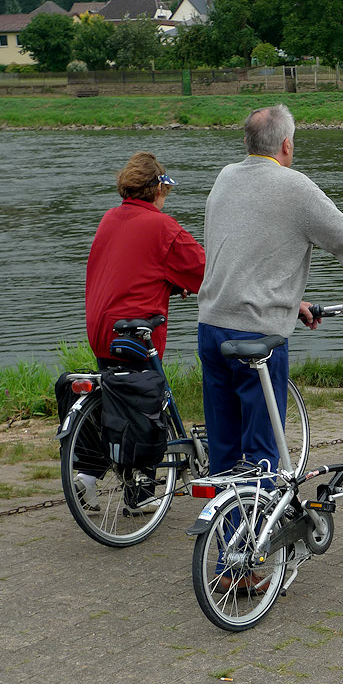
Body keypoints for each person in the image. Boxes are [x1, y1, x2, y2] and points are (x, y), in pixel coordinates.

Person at [198, 103, 343, 477]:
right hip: (257, 331)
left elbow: (234, 252)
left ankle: (227, 532)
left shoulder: (225, 177)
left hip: (211, 327)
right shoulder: (295, 187)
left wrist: (291, 302)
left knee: (223, 449)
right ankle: (258, 533)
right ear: (286, 145)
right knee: (261, 451)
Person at [81, 151, 206, 511]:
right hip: (135, 333)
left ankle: (86, 477)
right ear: (155, 190)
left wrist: (167, 283)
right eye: (165, 187)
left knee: (116, 400)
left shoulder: (110, 218)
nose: (166, 195)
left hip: (102, 328)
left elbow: (131, 269)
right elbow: (205, 272)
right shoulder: (163, 227)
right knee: (145, 406)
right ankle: (140, 495)